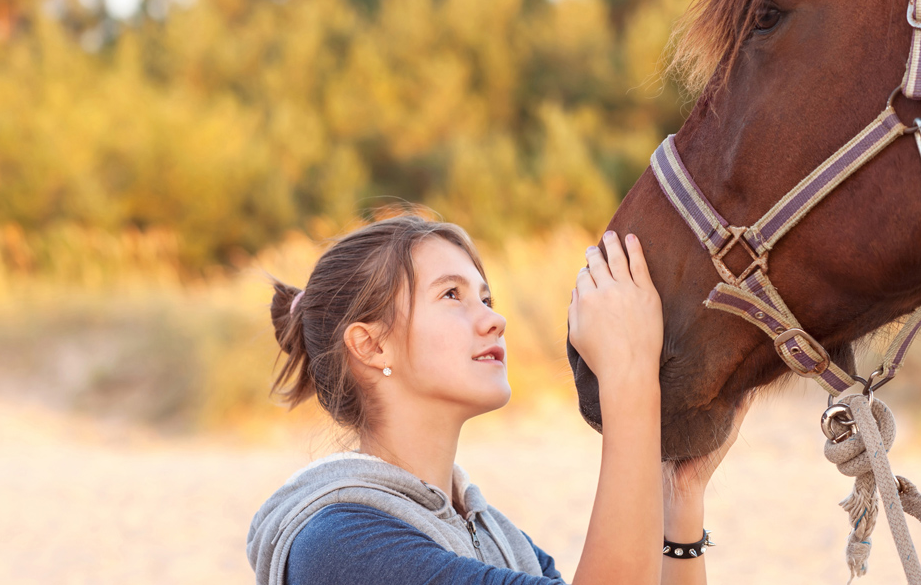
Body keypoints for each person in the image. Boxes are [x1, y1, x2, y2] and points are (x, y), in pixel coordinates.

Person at [247, 212, 749, 585]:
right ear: (371, 345)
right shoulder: (341, 542)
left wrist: (678, 505)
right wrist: (628, 376)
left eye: (485, 298)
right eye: (451, 295)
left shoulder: (497, 539)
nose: (494, 319)